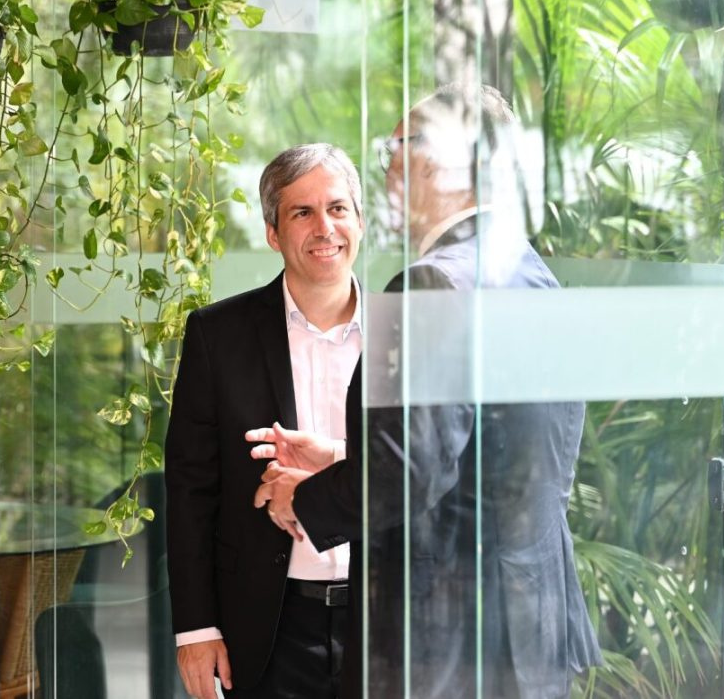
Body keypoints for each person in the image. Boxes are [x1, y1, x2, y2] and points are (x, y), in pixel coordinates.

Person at [251, 84, 602, 698]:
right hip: (526, 626)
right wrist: (344, 457)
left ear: (441, 159)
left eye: (396, 149)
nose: (387, 170)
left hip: (453, 638)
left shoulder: (432, 283)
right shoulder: (528, 271)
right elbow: (489, 455)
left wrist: (302, 499)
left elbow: (409, 471)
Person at [164, 143, 364, 699]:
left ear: (360, 220)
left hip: (384, 621)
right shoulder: (217, 335)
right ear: (273, 233)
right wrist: (196, 629)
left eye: (338, 208)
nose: (325, 227)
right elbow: (190, 490)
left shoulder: (406, 335)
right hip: (267, 628)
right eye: (302, 212)